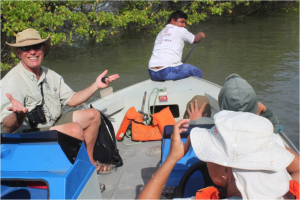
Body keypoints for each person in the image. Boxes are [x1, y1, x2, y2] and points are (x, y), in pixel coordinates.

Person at [0, 28, 119, 173]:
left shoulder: (50, 75)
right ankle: (80, 174)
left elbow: (72, 100)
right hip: (27, 134)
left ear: (43, 49)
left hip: (52, 123)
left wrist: (96, 86)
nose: (32, 52)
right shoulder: (12, 81)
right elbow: (7, 127)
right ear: (18, 53)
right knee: (74, 129)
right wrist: (17, 115)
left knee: (93, 114)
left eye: (37, 46)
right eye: (26, 48)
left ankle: (89, 164)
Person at [137, 111, 300, 200]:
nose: (205, 160)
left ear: (226, 171)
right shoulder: (289, 192)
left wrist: (171, 160)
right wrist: (266, 144)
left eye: (210, 156)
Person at [148, 10, 205, 81]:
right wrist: (201, 34)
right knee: (197, 72)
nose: (184, 25)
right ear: (173, 20)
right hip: (167, 71)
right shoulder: (180, 30)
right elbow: (196, 39)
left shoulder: (161, 32)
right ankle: (188, 91)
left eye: (185, 23)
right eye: (182, 22)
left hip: (152, 72)